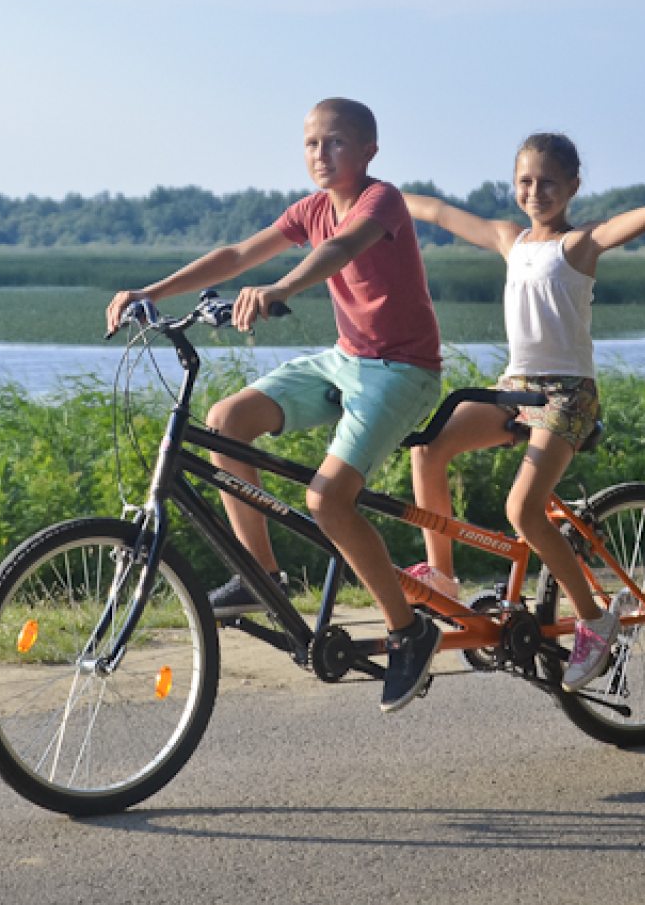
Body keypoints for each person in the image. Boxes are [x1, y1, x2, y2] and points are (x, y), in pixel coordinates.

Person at [105, 98, 446, 713]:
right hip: (346, 358)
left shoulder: (381, 200)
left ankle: (409, 631)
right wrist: (148, 293)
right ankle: (261, 578)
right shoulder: (309, 209)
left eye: (336, 143)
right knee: (226, 421)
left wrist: (282, 288)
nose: (321, 154)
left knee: (326, 500)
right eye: (312, 143)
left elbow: (341, 251)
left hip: (403, 370)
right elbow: (237, 256)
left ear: (368, 150)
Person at [402, 134, 645, 691]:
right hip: (516, 388)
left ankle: (595, 620)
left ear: (573, 186)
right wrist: (367, 194)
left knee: (522, 509)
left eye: (548, 182)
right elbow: (435, 211)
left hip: (567, 395)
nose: (535, 191)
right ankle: (444, 579)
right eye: (525, 181)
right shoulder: (510, 239)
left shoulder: (580, 244)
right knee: (429, 447)